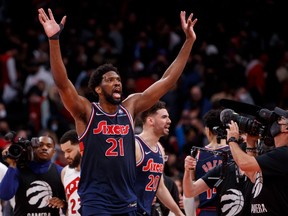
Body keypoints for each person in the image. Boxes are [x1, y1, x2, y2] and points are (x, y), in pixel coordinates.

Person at [38, 7, 197, 215]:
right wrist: (54, 40)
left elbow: (167, 81)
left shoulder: (129, 107)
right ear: (97, 88)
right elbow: (62, 83)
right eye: (110, 80)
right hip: (97, 199)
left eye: (118, 80)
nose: (117, 83)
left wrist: (188, 41)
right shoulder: (86, 111)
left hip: (126, 199)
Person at [226, 106, 288, 215]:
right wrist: (251, 144)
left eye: (279, 119)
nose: (274, 122)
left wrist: (232, 140)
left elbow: (244, 164)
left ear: (286, 128)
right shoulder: (276, 155)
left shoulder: (284, 154)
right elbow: (253, 175)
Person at [183, 133, 255, 215]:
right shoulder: (223, 168)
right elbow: (189, 192)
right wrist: (187, 171)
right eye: (242, 135)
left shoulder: (261, 167)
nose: (245, 139)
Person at [135, 101, 184, 216]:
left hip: (145, 211)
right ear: (150, 120)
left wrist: (178, 213)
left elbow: (160, 188)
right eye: (164, 117)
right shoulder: (135, 145)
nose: (169, 121)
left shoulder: (160, 150)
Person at [0, 134, 66, 216]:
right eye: (40, 145)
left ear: (54, 152)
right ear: (33, 148)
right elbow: (5, 195)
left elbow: (69, 204)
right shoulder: (19, 169)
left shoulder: (60, 172)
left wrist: (63, 204)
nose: (44, 148)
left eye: (48, 146)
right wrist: (12, 165)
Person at [191, 109, 230, 215]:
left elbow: (191, 191)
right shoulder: (234, 153)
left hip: (206, 211)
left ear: (207, 130)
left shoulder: (197, 154)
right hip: (230, 209)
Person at [59, 129, 81, 216]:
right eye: (64, 152)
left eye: (69, 151)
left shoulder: (96, 169)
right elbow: (69, 205)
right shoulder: (64, 172)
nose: (66, 156)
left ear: (81, 146)